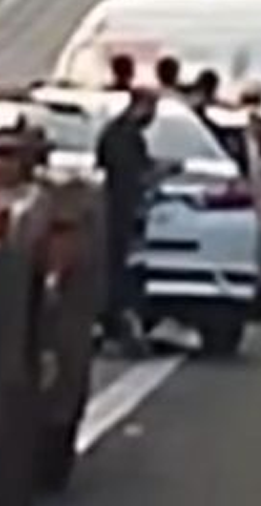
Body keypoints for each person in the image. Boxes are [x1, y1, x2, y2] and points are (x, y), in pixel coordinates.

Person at [96, 88, 158, 358]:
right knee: (118, 274)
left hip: (117, 212)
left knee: (119, 272)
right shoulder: (124, 136)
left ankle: (116, 327)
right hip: (119, 213)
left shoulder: (116, 133)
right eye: (151, 109)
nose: (152, 116)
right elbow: (133, 175)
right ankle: (117, 328)